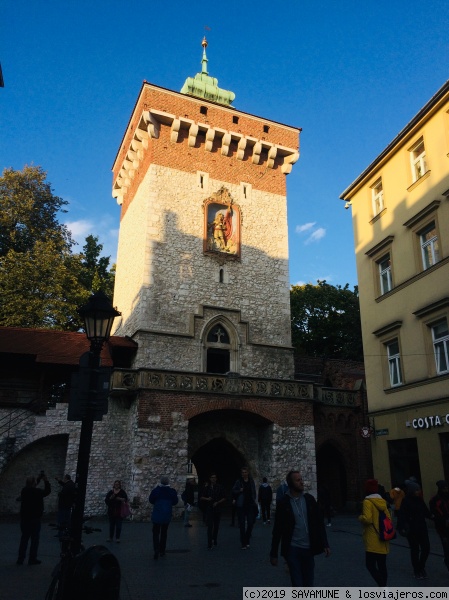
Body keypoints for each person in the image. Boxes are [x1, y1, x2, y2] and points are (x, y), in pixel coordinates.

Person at [270, 470, 330, 586]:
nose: (302, 482)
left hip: (308, 549)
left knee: (308, 583)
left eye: (301, 479)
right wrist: (273, 553)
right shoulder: (283, 503)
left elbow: (319, 524)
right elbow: (277, 530)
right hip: (293, 549)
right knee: (297, 583)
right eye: (298, 480)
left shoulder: (309, 500)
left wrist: (325, 544)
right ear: (291, 484)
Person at [358, 479, 390, 587]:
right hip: (383, 537)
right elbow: (388, 518)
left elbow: (367, 519)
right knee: (382, 565)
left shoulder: (367, 502)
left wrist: (360, 517)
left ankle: (382, 586)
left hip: (372, 538)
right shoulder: (383, 502)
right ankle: (384, 588)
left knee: (370, 565)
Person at [398, 480, 432, 579]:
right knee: (415, 549)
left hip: (422, 528)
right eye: (417, 490)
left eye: (419, 489)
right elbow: (402, 515)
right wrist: (402, 527)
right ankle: (417, 570)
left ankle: (421, 566)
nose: (419, 491)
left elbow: (426, 512)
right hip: (412, 529)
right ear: (412, 490)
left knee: (426, 548)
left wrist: (433, 516)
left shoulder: (419, 500)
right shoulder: (406, 500)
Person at [17, 472, 51, 565]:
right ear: (34, 483)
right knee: (34, 540)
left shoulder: (24, 491)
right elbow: (47, 491)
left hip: (25, 519)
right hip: (35, 519)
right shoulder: (38, 492)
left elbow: (31, 486)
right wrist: (46, 480)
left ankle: (20, 559)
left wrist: (38, 479)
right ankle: (32, 558)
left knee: (24, 538)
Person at [149, 475, 178, 560]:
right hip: (166, 515)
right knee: (164, 533)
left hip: (157, 515)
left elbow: (151, 500)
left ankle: (156, 549)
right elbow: (175, 502)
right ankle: (162, 550)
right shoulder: (172, 491)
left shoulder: (156, 490)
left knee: (155, 533)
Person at [232, 466, 258, 549]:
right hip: (241, 505)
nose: (244, 474)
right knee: (242, 524)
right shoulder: (239, 481)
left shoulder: (251, 481)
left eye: (245, 472)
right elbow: (233, 491)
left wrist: (254, 499)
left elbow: (254, 491)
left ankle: (246, 538)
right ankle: (243, 543)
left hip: (250, 504)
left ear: (248, 473)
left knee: (250, 523)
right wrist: (240, 490)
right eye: (243, 472)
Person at [200, 472, 226, 549]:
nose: (213, 479)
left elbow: (224, 497)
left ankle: (214, 538)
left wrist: (217, 502)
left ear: (216, 479)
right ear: (210, 478)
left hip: (217, 509)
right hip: (209, 508)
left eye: (214, 477)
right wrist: (207, 499)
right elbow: (201, 497)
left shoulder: (220, 487)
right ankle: (209, 543)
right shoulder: (206, 488)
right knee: (210, 526)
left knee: (216, 526)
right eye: (212, 477)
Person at [429, 480, 449, 572]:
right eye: (444, 488)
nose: (446, 490)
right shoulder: (435, 500)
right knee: (446, 548)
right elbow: (434, 515)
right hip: (443, 528)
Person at [55, 474, 76, 539]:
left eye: (64, 478)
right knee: (66, 519)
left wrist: (59, 494)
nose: (63, 479)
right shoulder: (71, 484)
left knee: (62, 520)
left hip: (64, 505)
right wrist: (59, 480)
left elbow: (64, 494)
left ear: (66, 478)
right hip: (68, 505)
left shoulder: (68, 485)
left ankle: (61, 533)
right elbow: (64, 484)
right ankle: (66, 532)